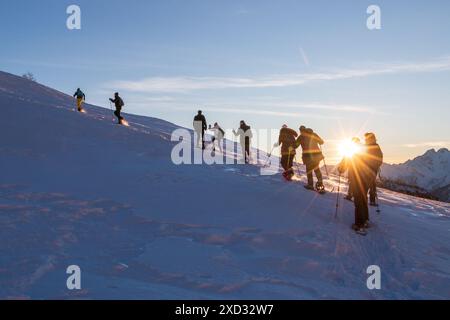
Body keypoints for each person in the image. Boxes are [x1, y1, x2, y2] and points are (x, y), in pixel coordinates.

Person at [338, 146, 376, 235]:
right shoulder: (364, 151)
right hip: (366, 180)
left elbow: (342, 167)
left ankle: (359, 225)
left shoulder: (349, 153)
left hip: (356, 180)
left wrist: (340, 169)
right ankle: (365, 220)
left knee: (358, 201)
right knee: (363, 200)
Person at [295, 126, 324, 191]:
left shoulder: (301, 137)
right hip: (317, 155)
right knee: (317, 169)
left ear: (301, 130)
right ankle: (320, 184)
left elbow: (295, 145)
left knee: (309, 170)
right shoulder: (313, 134)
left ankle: (310, 185)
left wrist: (291, 147)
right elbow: (321, 142)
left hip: (308, 156)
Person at [364, 133, 383, 206]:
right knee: (369, 185)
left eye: (366, 139)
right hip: (367, 169)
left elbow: (379, 159)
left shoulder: (374, 147)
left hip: (371, 169)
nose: (365, 140)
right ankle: (369, 200)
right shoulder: (368, 146)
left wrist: (373, 166)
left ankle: (370, 200)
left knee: (370, 185)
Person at [345, 137, 362, 201]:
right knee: (356, 182)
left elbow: (347, 158)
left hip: (353, 167)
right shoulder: (361, 148)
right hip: (359, 168)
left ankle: (350, 195)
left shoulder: (351, 148)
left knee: (352, 181)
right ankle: (354, 196)